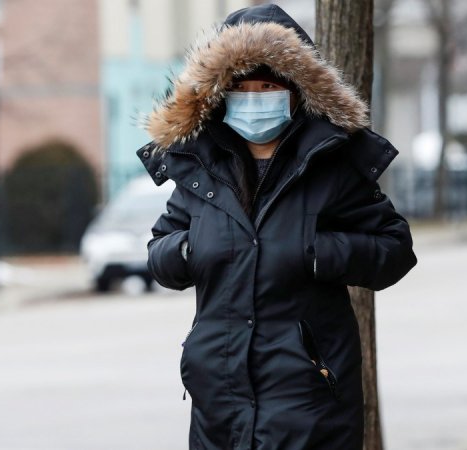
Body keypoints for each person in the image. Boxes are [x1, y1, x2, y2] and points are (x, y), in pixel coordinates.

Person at [135, 4, 417, 449]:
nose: (254, 97)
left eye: (267, 85)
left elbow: (395, 249)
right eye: (242, 87)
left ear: (294, 92)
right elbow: (159, 251)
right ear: (220, 95)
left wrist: (317, 252)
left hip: (308, 400)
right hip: (219, 400)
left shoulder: (330, 161)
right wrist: (188, 250)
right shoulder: (200, 167)